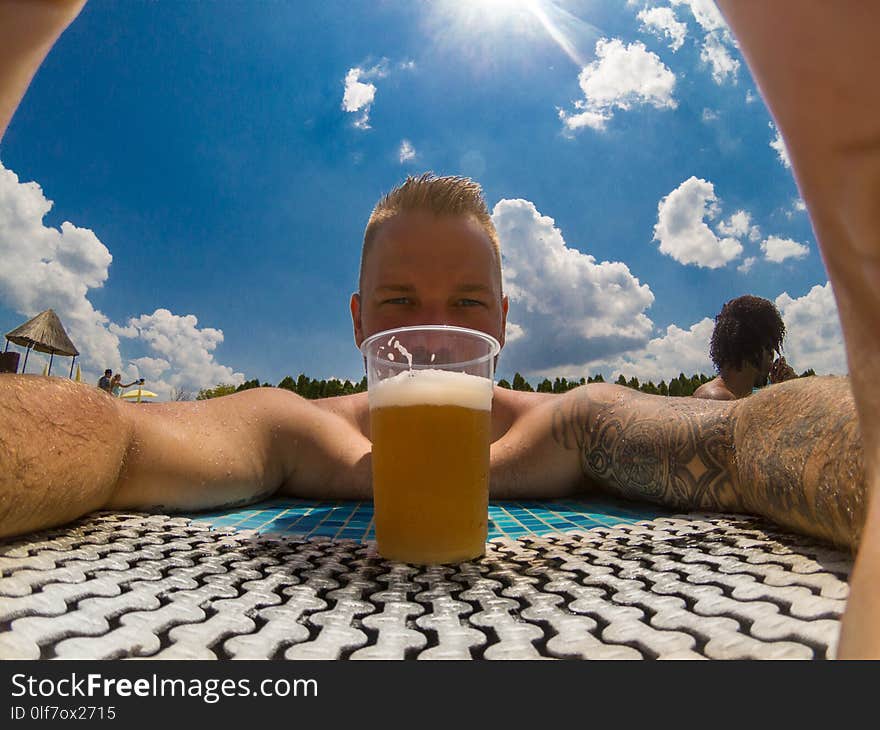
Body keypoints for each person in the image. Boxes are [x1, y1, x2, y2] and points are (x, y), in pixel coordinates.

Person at [0, 1, 878, 657]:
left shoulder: (563, 424)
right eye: (396, 305)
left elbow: (741, 438)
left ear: (501, 322)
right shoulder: (295, 426)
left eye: (465, 306)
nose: (427, 333)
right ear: (357, 323)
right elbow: (110, 434)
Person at [693, 295, 797, 401]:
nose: (772, 361)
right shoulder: (718, 397)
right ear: (759, 349)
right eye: (771, 349)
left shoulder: (732, 397)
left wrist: (784, 392)